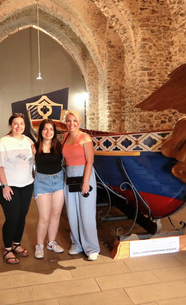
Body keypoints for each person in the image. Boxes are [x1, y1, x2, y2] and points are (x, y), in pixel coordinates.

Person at [0, 113, 35, 264]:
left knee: (22, 216)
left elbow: (35, 161)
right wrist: (5, 186)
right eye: (15, 124)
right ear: (10, 125)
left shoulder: (28, 141)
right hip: (9, 186)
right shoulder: (3, 142)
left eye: (22, 124)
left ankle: (16, 244)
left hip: (26, 185)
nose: (19, 126)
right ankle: (7, 250)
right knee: (12, 218)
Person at [62, 110, 100, 261]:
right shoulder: (65, 137)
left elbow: (90, 161)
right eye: (69, 121)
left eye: (74, 121)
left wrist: (86, 182)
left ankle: (92, 248)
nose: (71, 124)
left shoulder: (85, 138)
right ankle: (76, 244)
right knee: (72, 212)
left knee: (86, 213)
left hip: (85, 176)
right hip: (69, 177)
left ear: (79, 122)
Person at [32, 119, 65, 259]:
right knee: (44, 217)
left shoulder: (59, 146)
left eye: (51, 129)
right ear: (41, 131)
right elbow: (30, 166)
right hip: (42, 182)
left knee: (56, 214)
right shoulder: (34, 147)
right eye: (45, 129)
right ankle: (39, 245)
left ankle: (51, 242)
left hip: (58, 181)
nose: (48, 132)